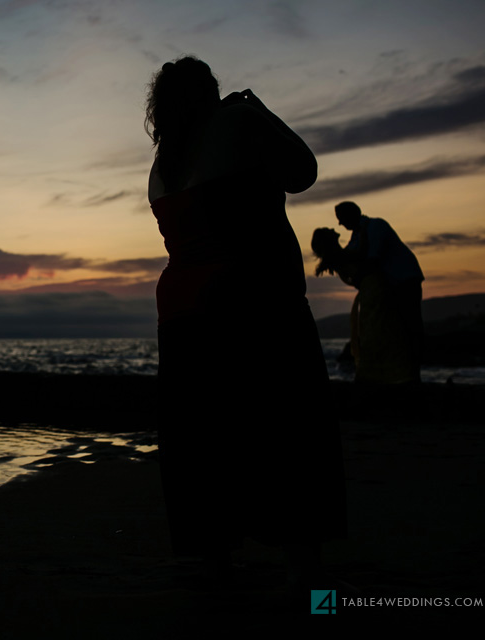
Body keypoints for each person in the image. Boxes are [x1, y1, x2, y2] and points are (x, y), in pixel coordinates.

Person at [145, 57, 346, 592]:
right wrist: (255, 104)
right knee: (289, 435)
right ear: (211, 94)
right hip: (254, 301)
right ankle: (309, 583)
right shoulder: (236, 121)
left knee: (205, 443)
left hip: (183, 313)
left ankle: (217, 571)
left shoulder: (162, 164)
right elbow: (302, 172)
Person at [334, 201, 424, 381]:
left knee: (409, 327)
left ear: (351, 215)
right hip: (391, 285)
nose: (340, 225)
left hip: (404, 280)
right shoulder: (357, 235)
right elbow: (348, 257)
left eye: (342, 219)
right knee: (397, 330)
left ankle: (413, 376)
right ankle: (402, 375)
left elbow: (372, 259)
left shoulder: (375, 226)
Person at [312, 228, 414, 383]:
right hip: (373, 293)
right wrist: (364, 231)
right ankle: (383, 374)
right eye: (328, 230)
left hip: (371, 292)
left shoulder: (340, 255)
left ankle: (380, 374)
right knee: (380, 332)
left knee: (377, 331)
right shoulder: (341, 255)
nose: (333, 228)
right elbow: (362, 255)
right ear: (328, 239)